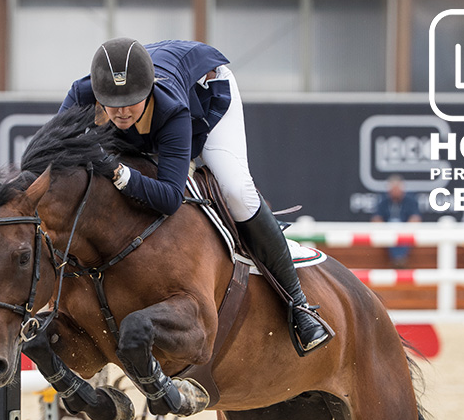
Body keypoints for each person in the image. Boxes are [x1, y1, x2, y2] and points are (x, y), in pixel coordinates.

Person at [60, 37, 330, 354]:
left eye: (130, 101)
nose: (121, 112)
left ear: (147, 90)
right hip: (154, 87)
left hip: (204, 96)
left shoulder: (172, 109)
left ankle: (299, 305)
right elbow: (49, 158)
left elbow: (170, 198)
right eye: (112, 103)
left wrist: (119, 173)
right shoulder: (82, 94)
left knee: (236, 191)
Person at [371, 174, 421, 266]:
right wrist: (384, 228)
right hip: (388, 231)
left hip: (404, 231)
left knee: (403, 239)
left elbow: (415, 218)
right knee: (391, 238)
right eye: (393, 189)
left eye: (397, 189)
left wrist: (406, 229)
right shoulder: (383, 202)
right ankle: (398, 260)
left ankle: (399, 259)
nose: (395, 191)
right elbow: (376, 219)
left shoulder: (410, 201)